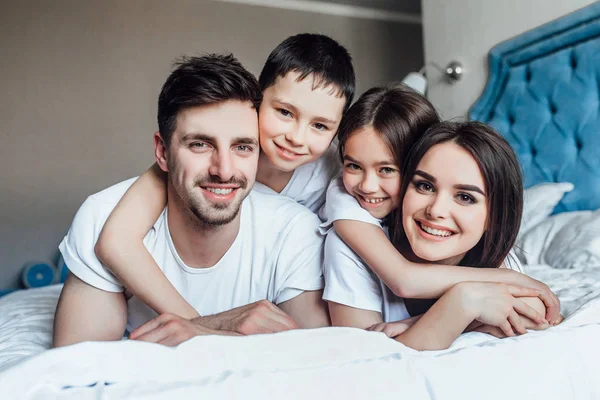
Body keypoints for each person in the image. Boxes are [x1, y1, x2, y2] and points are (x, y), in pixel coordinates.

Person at [53, 53, 330, 348]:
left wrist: (202, 332)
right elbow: (76, 371)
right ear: (162, 152)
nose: (223, 170)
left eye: (242, 147)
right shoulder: (102, 215)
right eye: (200, 144)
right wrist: (218, 327)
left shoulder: (295, 231)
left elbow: (315, 361)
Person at [93, 33, 355, 319]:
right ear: (256, 99)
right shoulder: (199, 162)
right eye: (284, 112)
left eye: (319, 126)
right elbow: (116, 240)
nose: (296, 137)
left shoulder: (333, 172)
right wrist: (201, 325)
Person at [322, 89, 553, 350]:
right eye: (424, 186)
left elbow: (540, 312)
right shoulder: (349, 234)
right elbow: (365, 367)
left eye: (465, 197)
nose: (436, 210)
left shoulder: (489, 250)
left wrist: (420, 322)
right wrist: (462, 302)